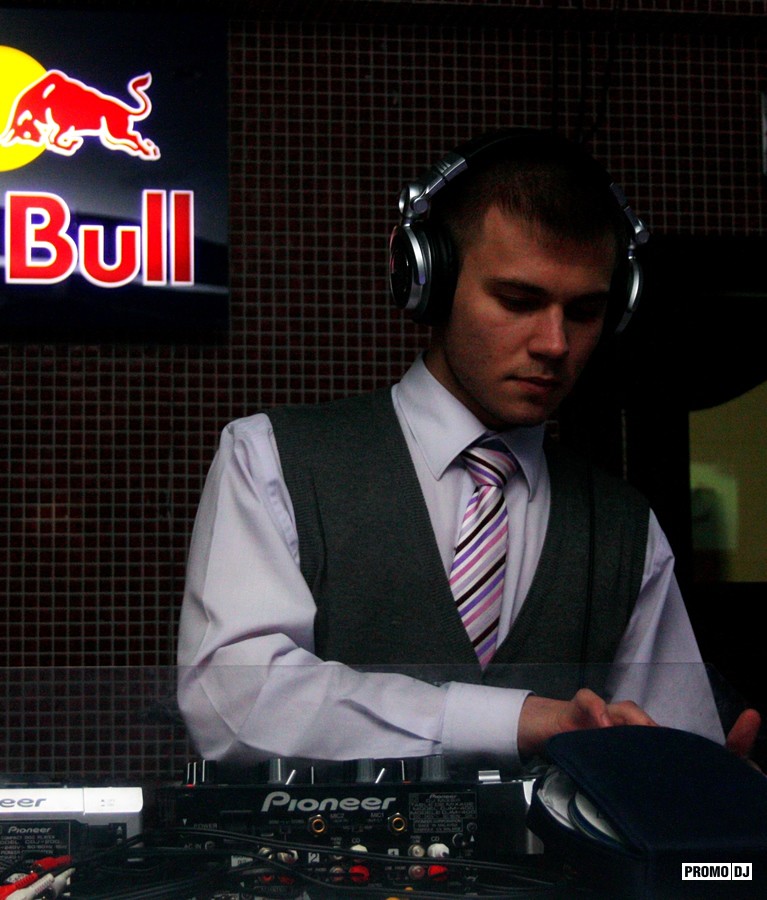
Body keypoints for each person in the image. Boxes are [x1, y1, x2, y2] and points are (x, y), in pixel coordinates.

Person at [177, 129, 760, 769]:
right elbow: (232, 705)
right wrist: (516, 720)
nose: (555, 343)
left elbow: (663, 754)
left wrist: (701, 794)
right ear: (428, 281)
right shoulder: (272, 460)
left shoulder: (625, 530)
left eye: (584, 311)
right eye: (518, 301)